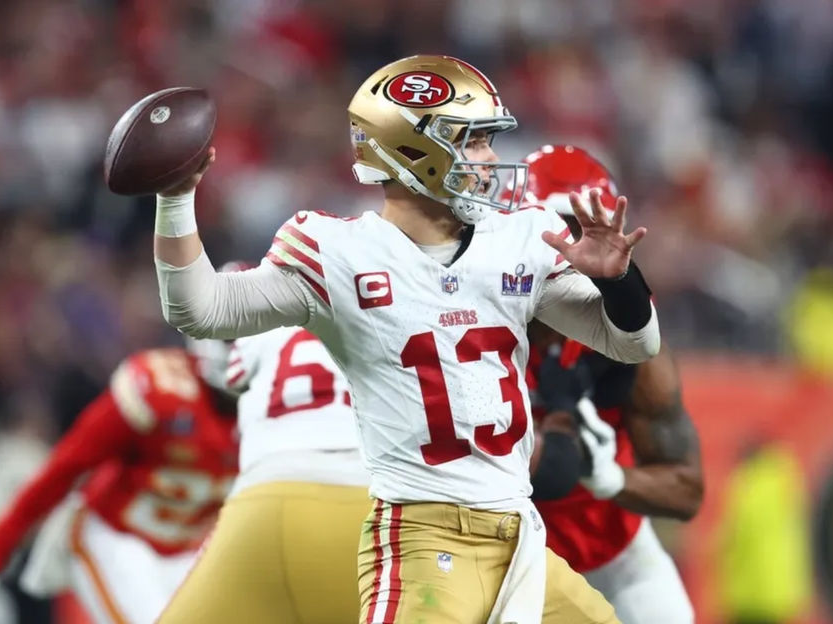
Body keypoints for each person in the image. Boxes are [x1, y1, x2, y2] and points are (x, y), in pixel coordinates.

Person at [152, 54, 660, 624]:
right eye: (473, 141)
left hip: (518, 532)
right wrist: (175, 201)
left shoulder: (518, 238)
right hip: (421, 536)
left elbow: (634, 343)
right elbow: (202, 309)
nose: (491, 159)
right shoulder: (337, 252)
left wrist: (618, 279)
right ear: (416, 150)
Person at [516, 146, 702, 623]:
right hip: (513, 561)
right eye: (559, 228)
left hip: (615, 555)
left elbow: (685, 490)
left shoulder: (631, 338)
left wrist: (610, 477)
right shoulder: (479, 319)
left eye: (588, 230)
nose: (573, 249)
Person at [0, 338, 239, 624]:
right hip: (115, 534)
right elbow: (64, 469)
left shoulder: (275, 408)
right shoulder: (159, 391)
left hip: (185, 548)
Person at [158, 324, 371, 623]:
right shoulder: (387, 314)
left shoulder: (268, 317)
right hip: (371, 502)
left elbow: (223, 371)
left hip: (267, 498)